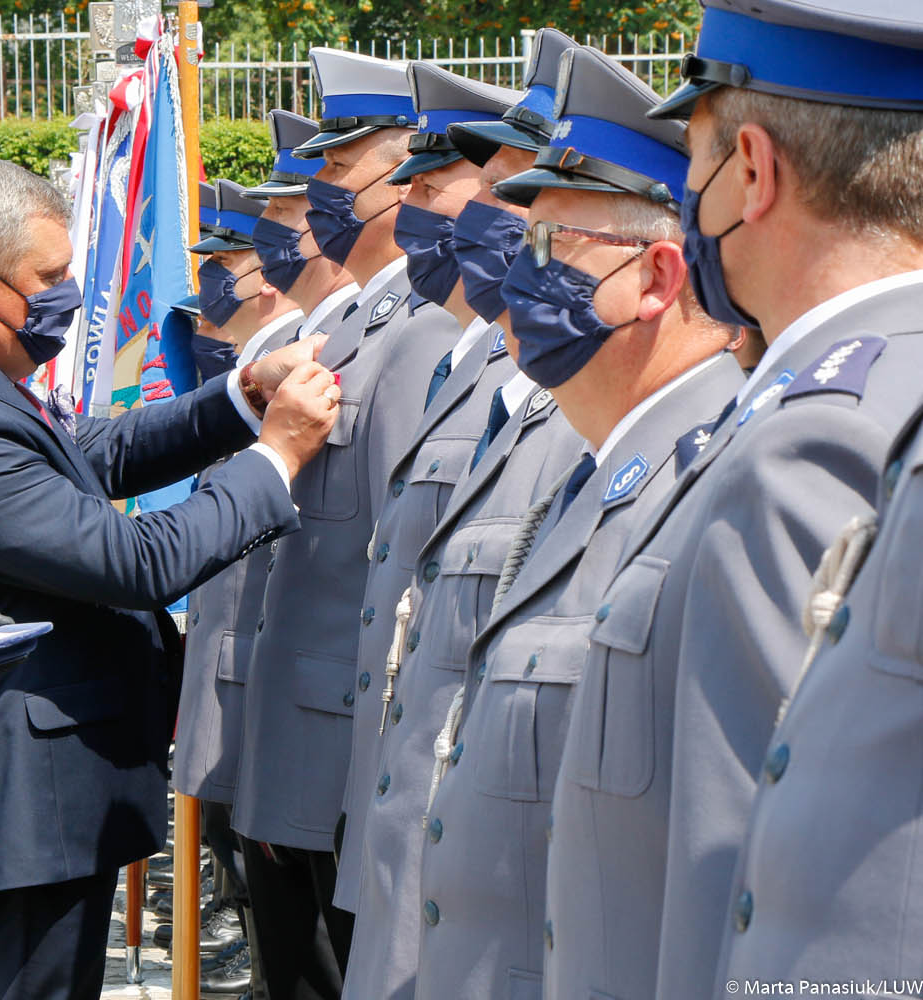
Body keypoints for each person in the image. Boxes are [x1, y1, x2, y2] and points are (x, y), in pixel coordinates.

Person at [0, 156, 341, 1000]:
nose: (67, 296)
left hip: (26, 807)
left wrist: (238, 400)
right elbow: (136, 563)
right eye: (51, 278)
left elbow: (86, 457)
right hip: (9, 814)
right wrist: (276, 455)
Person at [538, 3, 923, 997]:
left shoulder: (816, 437)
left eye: (697, 162)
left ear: (755, 171)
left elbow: (788, 894)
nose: (690, 193)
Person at [411, 45, 744, 1000]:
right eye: (520, 246)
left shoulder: (715, 485)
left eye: (553, 249)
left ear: (658, 276)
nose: (519, 277)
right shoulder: (595, 472)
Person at [342, 31, 587, 1000]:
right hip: (416, 872)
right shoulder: (491, 382)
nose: (492, 221)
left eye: (521, 199)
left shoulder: (580, 424)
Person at [230, 47, 463, 1000]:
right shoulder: (348, 326)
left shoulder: (419, 331)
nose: (322, 190)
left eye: (339, 169)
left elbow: (397, 573)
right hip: (298, 729)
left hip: (338, 748)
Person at [332, 58, 521, 1000]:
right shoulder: (469, 359)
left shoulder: (561, 400)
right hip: (406, 810)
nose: (413, 206)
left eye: (435, 186)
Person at [178, 176, 310, 998]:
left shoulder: (303, 355)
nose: (212, 283)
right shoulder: (250, 366)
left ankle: (242, 929)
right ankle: (240, 926)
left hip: (272, 667)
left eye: (227, 262)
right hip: (231, 649)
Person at [242, 110, 360, 339]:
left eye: (280, 209)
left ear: (332, 220)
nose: (263, 222)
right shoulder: (309, 333)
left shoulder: (348, 330)